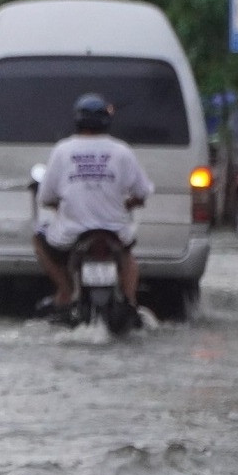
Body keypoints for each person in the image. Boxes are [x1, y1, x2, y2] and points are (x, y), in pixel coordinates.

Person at [34, 93, 154, 314]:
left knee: (38, 238)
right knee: (128, 258)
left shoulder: (63, 150)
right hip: (115, 232)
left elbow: (45, 198)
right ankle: (130, 303)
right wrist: (129, 204)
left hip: (72, 232)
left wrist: (62, 205)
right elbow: (142, 192)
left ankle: (65, 292)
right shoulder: (122, 151)